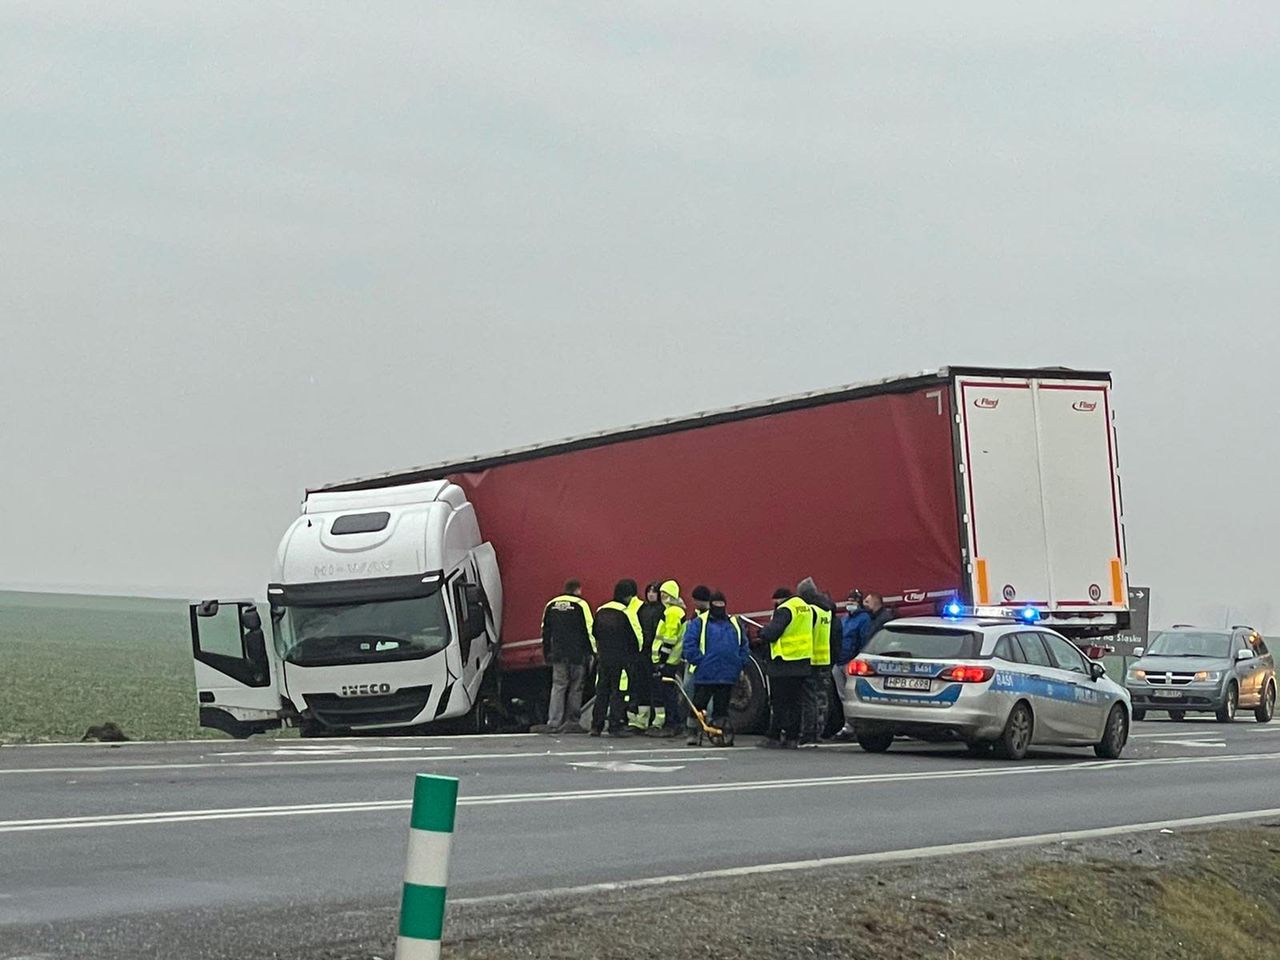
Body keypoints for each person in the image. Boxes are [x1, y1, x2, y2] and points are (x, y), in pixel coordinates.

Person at [681, 590, 748, 745]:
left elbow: (744, 645)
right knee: (698, 705)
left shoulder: (734, 623)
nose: (719, 607)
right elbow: (689, 643)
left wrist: (739, 662)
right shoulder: (700, 622)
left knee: (721, 708)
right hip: (706, 673)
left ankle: (719, 732)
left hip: (727, 674)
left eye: (721, 604)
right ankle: (692, 732)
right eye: (716, 604)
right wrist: (699, 661)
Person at [757, 586, 813, 749]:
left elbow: (773, 633)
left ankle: (774, 736)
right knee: (795, 703)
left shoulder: (785, 609)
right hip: (802, 661)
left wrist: (763, 632)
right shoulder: (805, 608)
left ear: (779, 599)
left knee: (779, 702)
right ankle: (792, 737)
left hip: (784, 663)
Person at [536, 579, 594, 733]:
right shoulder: (581, 605)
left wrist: (547, 652)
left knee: (558, 686)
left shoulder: (551, 605)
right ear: (578, 590)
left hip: (558, 654)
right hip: (577, 654)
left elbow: (545, 631)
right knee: (576, 687)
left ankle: (554, 721)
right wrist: (593, 652)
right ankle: (572, 721)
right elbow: (589, 630)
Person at [590, 580, 643, 738]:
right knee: (618, 692)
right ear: (628, 596)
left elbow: (594, 633)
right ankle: (615, 724)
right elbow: (637, 637)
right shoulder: (627, 612)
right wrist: (634, 654)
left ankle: (596, 726)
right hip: (621, 660)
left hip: (604, 658)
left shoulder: (601, 610)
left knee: (602, 691)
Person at [797, 577, 836, 746]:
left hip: (810, 659)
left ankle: (808, 733)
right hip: (824, 659)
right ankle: (819, 731)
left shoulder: (809, 611)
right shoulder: (827, 610)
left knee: (808, 699)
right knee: (822, 698)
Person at [648, 579, 687, 737]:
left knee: (667, 694)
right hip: (672, 658)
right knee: (668, 692)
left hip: (668, 660)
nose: (662, 597)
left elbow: (670, 638)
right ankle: (674, 723)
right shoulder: (676, 611)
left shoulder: (672, 612)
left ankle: (672, 724)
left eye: (665, 594)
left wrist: (662, 659)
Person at [831, 589, 870, 741]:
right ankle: (847, 725)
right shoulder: (845, 618)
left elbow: (864, 639)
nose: (849, 604)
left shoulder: (863, 619)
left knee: (852, 696)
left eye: (853, 601)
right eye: (848, 601)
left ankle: (853, 726)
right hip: (839, 661)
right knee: (843, 696)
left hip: (850, 662)